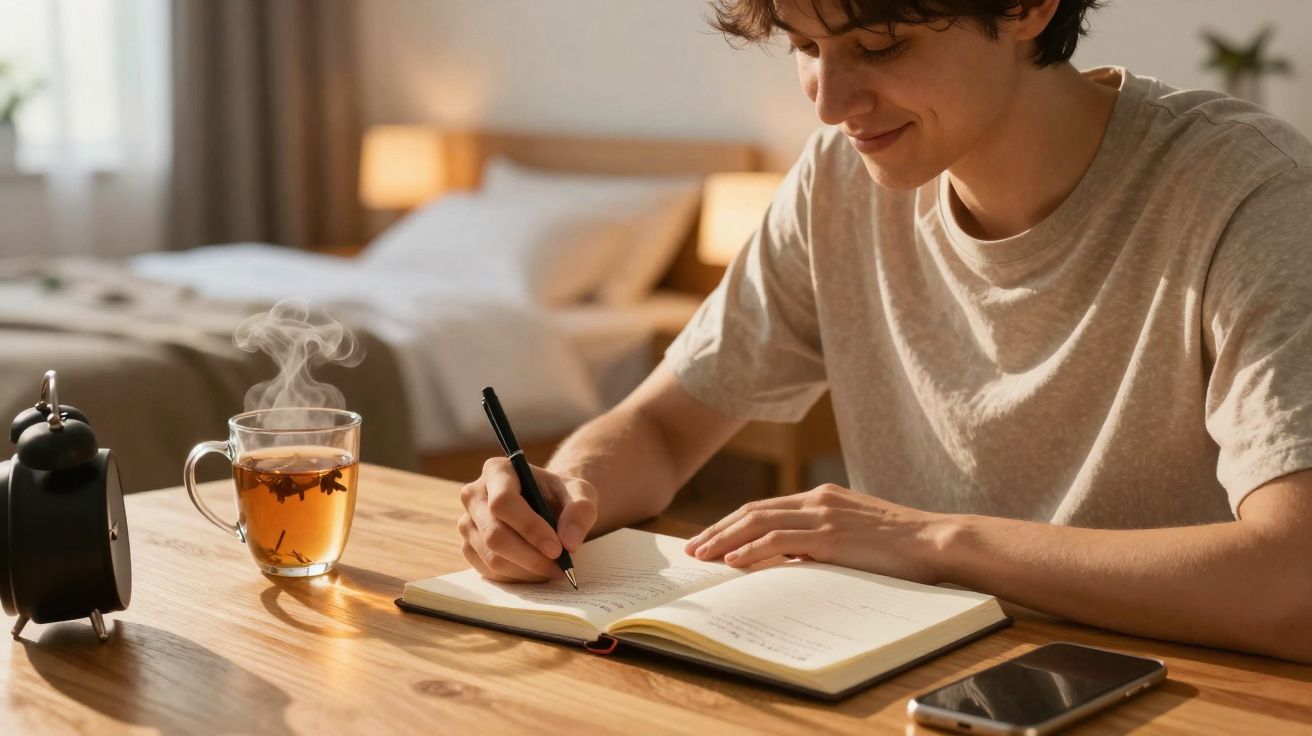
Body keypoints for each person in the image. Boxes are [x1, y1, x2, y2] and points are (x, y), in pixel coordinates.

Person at [457, 0, 1312, 663]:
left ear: (1027, 8)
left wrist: (932, 541)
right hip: (896, 678)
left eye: (879, 46)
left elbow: (1294, 582)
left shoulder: (1243, 195)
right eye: (803, 46)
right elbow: (662, 424)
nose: (831, 104)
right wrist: (565, 491)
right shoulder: (839, 181)